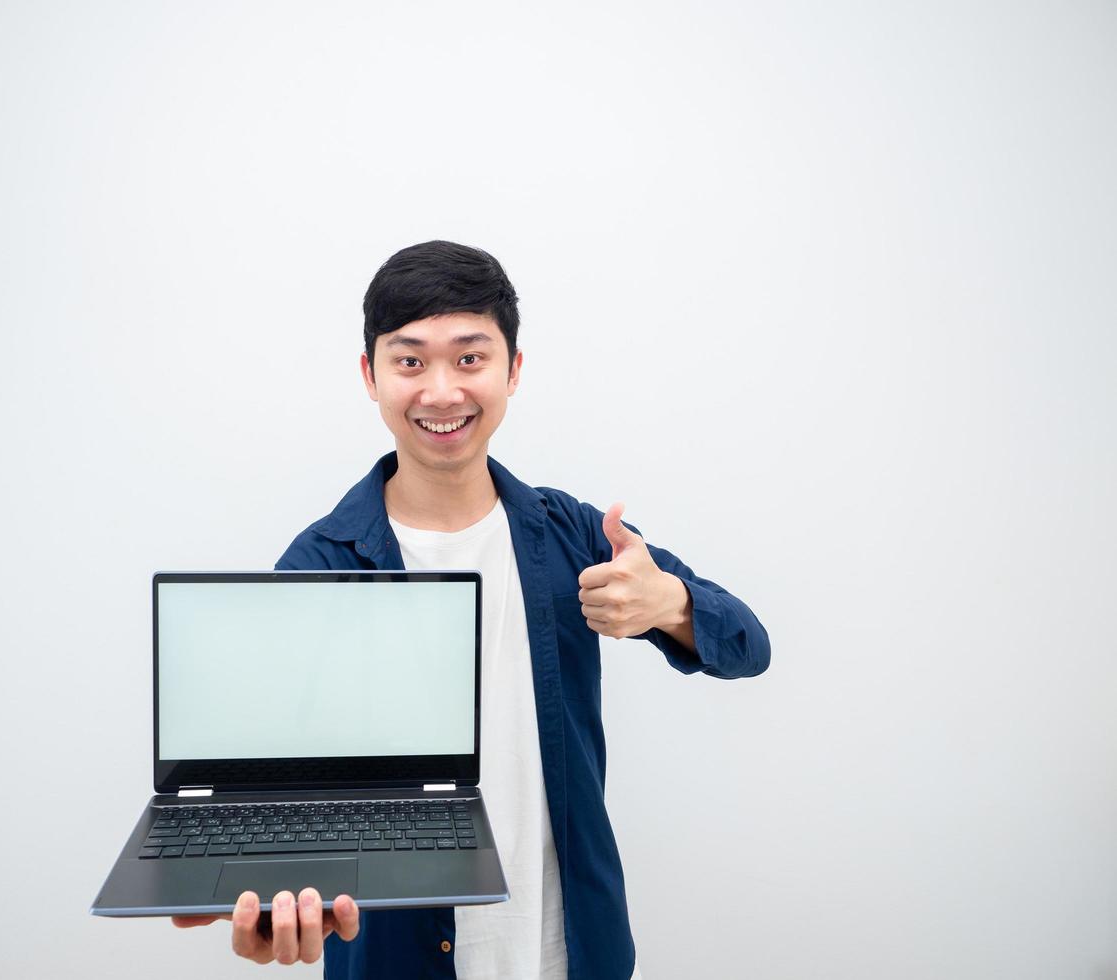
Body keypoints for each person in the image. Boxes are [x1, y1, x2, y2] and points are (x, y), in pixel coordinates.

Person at [172, 240, 771, 977]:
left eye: (469, 358)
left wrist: (670, 603)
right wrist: (270, 903)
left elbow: (749, 644)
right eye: (409, 360)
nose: (441, 392)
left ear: (513, 369)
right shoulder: (319, 566)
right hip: (393, 957)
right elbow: (276, 790)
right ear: (370, 376)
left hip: (567, 949)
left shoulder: (576, 535)